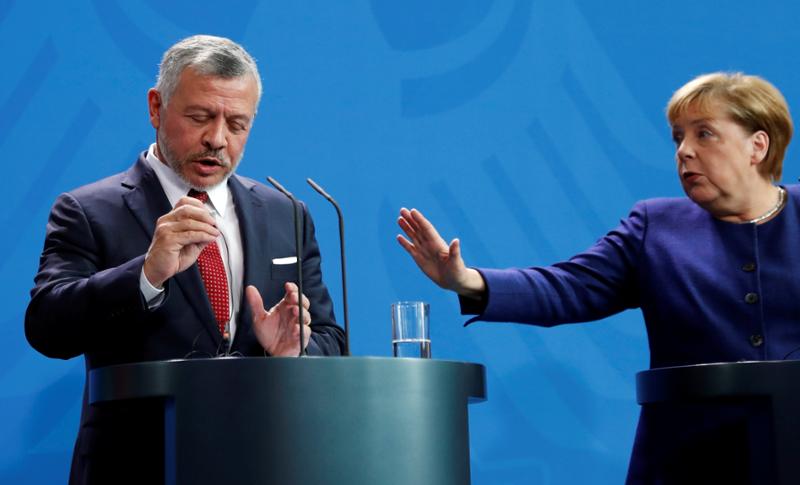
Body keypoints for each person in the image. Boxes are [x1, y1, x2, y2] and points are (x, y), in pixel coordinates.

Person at [397, 72, 796, 483]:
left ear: (757, 146)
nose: (684, 151)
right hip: (685, 459)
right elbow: (566, 287)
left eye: (704, 134)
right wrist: (466, 280)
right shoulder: (656, 227)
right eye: (678, 137)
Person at [25, 35, 345, 484]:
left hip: (264, 462)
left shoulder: (286, 213)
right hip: (138, 468)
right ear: (156, 107)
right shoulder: (88, 211)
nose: (217, 139)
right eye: (199, 117)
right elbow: (47, 328)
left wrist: (293, 351)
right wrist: (145, 275)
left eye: (237, 124)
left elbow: (329, 337)